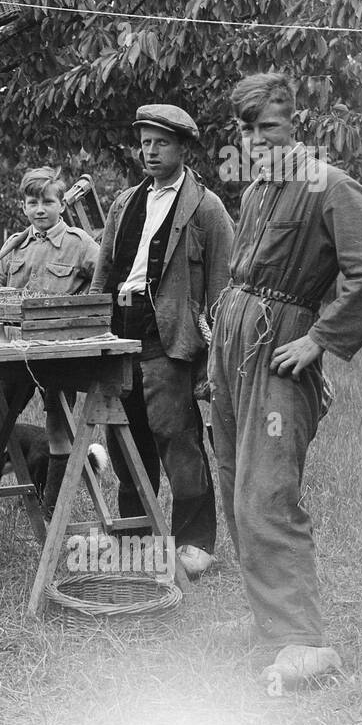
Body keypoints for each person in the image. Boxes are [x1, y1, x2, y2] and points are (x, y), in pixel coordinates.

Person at [210, 73, 362, 688]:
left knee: (267, 491)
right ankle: (271, 622)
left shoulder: (330, 186)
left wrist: (320, 339)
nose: (256, 139)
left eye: (267, 126)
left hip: (278, 355)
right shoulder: (255, 192)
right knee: (233, 484)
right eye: (246, 129)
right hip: (233, 351)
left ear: (295, 124)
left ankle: (304, 642)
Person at [89, 105, 234, 578]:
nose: (150, 152)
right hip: (119, 330)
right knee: (126, 436)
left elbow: (222, 291)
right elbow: (104, 275)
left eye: (161, 143)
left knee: (176, 436)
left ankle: (194, 545)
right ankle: (134, 538)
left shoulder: (206, 209)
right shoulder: (124, 202)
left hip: (169, 338)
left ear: (184, 148)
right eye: (145, 143)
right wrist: (94, 326)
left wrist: (212, 361)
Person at [0, 167, 100, 534]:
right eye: (32, 202)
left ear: (61, 205)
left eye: (48, 201)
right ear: (23, 207)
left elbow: (105, 276)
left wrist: (81, 304)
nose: (40, 209)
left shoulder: (79, 242)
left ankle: (51, 511)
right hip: (13, 353)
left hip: (56, 353)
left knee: (58, 429)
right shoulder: (16, 244)